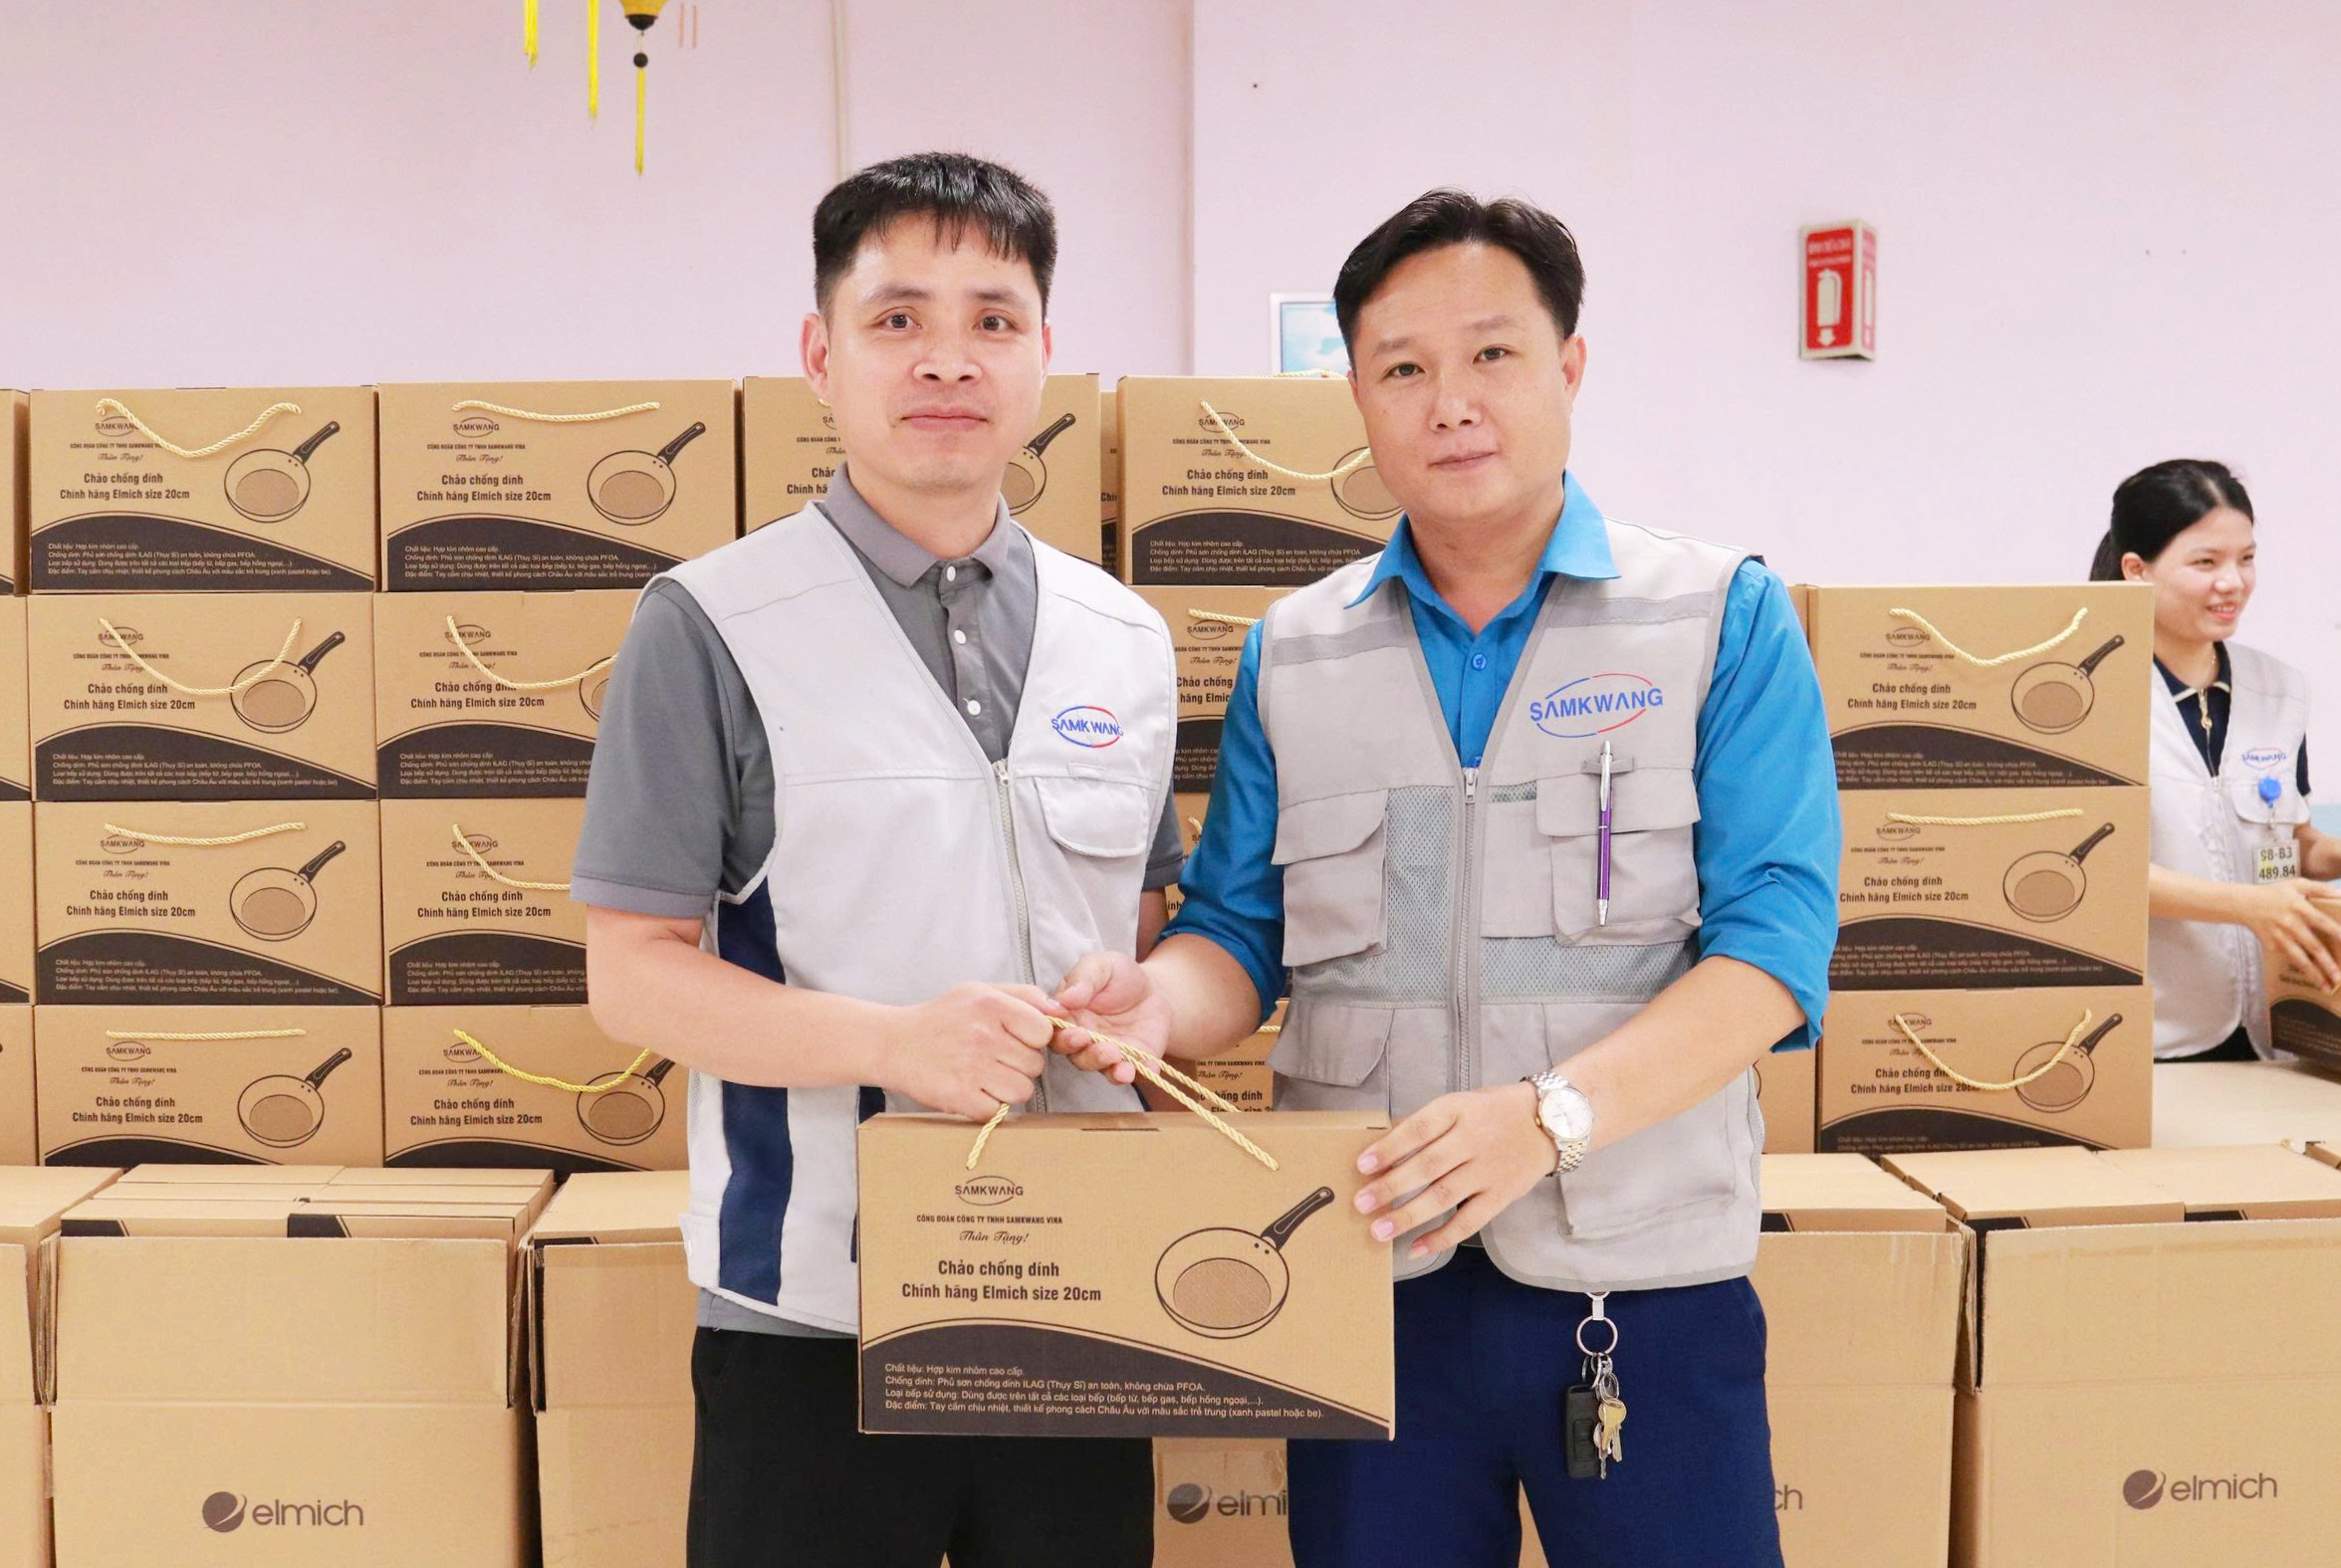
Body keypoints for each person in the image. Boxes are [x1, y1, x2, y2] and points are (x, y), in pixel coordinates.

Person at [1053, 190, 1839, 1568]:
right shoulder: (1294, 651)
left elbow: (1773, 947)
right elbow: (1238, 930)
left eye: (1490, 354)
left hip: (1636, 1282)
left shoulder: (1715, 615)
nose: (1450, 402)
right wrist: (1156, 1005)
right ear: (1356, 395)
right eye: (1402, 367)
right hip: (1365, 1270)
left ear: (1567, 365)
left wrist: (1547, 1118)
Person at [575, 151, 1179, 1568]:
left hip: (1076, 1300)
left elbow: (1140, 922)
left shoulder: (1124, 638)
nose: (946, 359)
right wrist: (894, 1044)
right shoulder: (710, 623)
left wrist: (1128, 993)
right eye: (897, 318)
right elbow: (633, 978)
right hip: (811, 1312)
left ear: (1042, 353)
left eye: (991, 319)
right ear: (820, 355)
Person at [2091, 459, 2341, 1061]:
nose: (2233, 582)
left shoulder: (2279, 689)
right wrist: (2249, 906)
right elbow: (2100, 868)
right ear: (2136, 570)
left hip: (2272, 1036)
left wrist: (2330, 855)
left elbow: (2288, 838)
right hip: (2153, 1038)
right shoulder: (2091, 700)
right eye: (2205, 563)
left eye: (2246, 559)